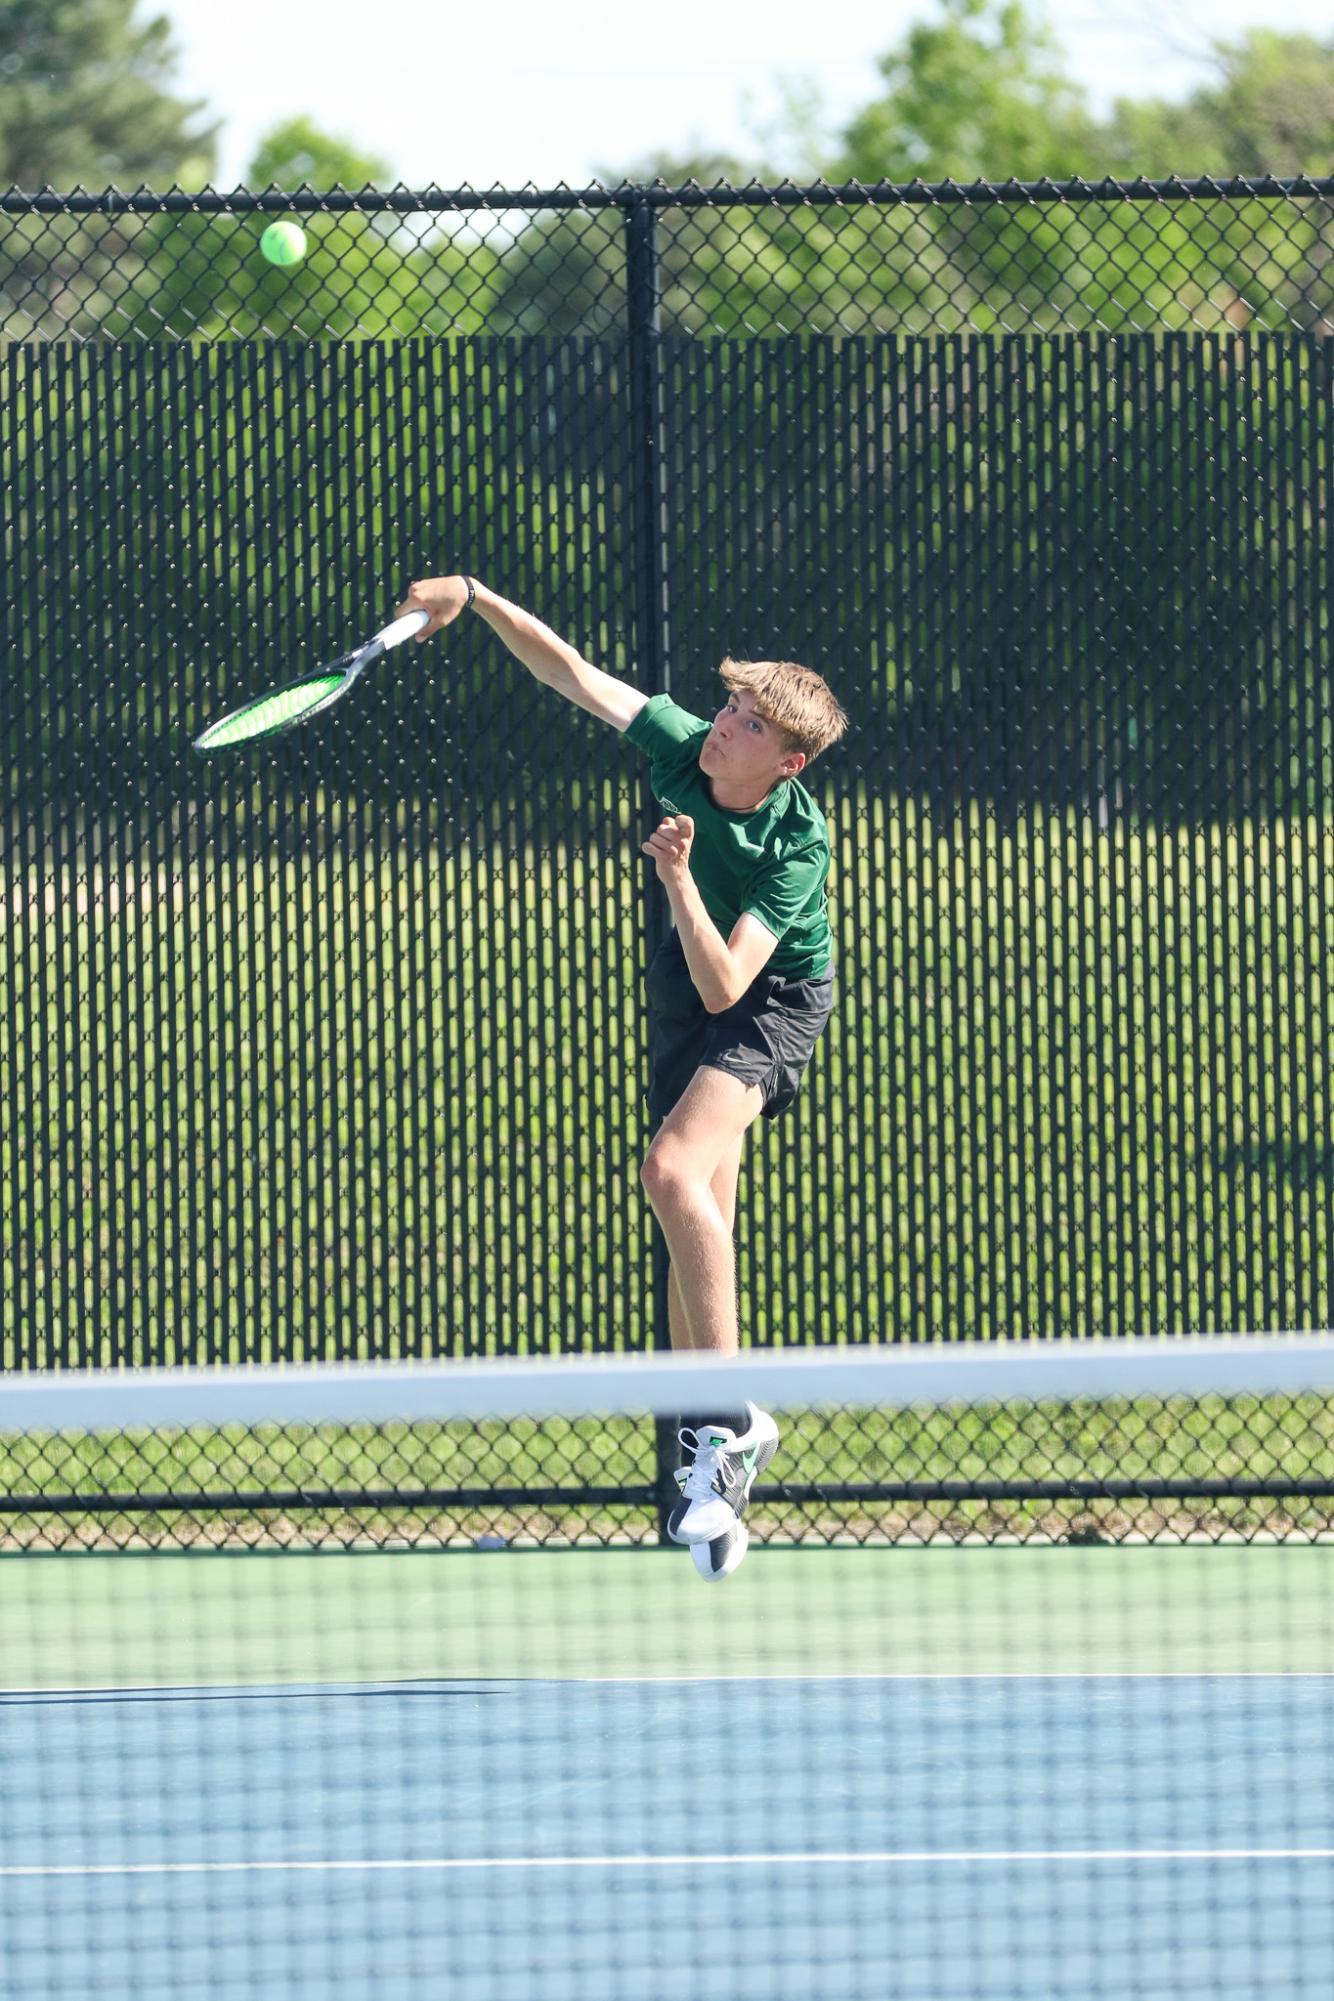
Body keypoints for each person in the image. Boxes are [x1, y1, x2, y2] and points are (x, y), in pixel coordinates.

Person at [395, 575, 848, 1581]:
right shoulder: (684, 744)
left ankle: (727, 1425)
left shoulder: (796, 841)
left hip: (769, 1000)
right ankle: (718, 1469)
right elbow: (572, 673)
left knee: (671, 1173)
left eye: (749, 720)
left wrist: (679, 876)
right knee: (701, 1227)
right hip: (694, 990)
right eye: (729, 704)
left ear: (789, 761)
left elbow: (733, 983)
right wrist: (474, 597)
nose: (725, 722)